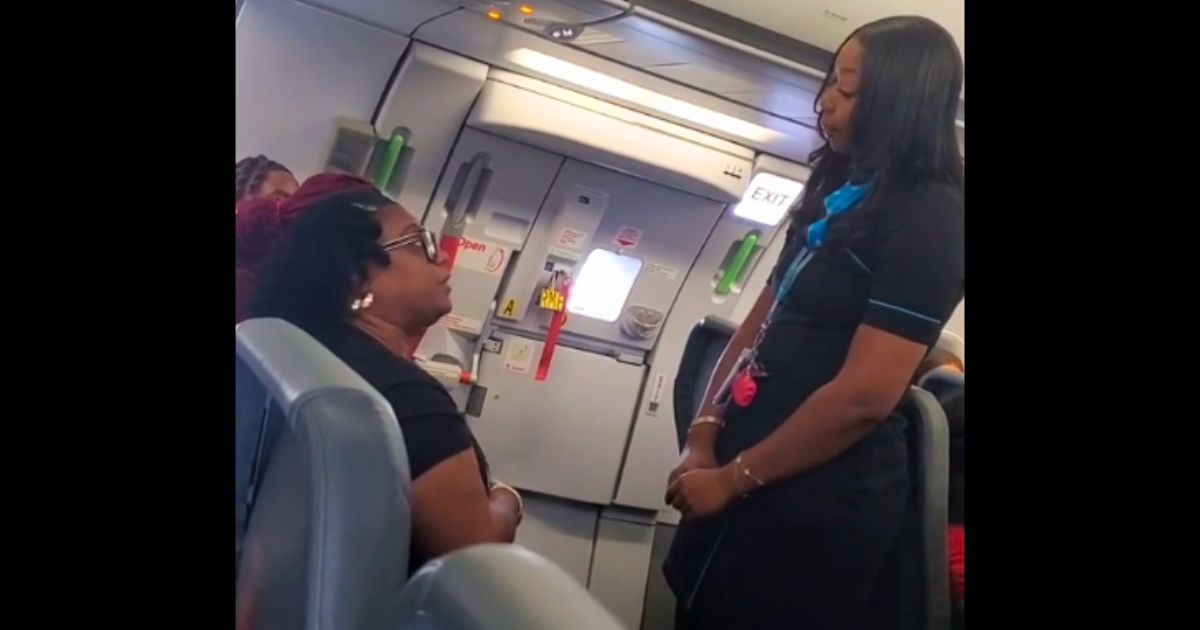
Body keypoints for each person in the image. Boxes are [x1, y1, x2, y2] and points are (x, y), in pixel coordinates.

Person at [663, 15, 964, 630]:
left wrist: (733, 478)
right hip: (738, 470)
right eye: (830, 80)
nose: (825, 101)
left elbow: (865, 396)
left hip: (816, 502)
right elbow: (761, 322)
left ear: (899, 101)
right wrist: (704, 430)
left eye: (847, 92)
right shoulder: (839, 179)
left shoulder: (933, 216)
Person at [245, 175, 522, 569]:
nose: (442, 256)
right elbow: (477, 558)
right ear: (358, 279)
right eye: (419, 244)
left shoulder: (304, 352)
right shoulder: (406, 399)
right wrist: (507, 499)